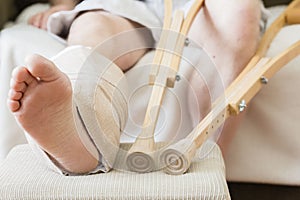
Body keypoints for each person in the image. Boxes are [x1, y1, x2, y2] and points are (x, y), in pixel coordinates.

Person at [6, 0, 265, 175]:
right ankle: (80, 129)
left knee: (240, 12)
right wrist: (62, 4)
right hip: (130, 4)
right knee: (95, 27)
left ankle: (204, 169)